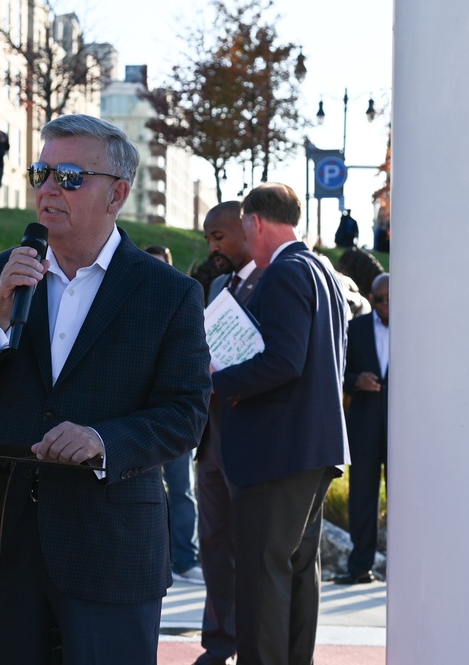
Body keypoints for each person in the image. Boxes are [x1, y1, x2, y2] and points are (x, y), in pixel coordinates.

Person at [0, 114, 212, 665]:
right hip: (10, 547)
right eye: (41, 172)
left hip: (110, 548)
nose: (49, 188)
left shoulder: (169, 294)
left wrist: (103, 440)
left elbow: (187, 413)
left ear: (118, 194)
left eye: (70, 175)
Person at [211, 183, 350, 665]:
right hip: (312, 448)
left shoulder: (284, 272)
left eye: (244, 230)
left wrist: (219, 378)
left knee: (262, 578)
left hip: (276, 451)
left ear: (254, 222)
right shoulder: (322, 271)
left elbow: (283, 361)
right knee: (295, 572)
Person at [194, 201, 264, 665]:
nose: (213, 247)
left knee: (254, 549)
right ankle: (219, 644)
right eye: (208, 240)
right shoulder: (217, 284)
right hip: (211, 437)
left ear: (245, 228)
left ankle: (256, 647)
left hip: (256, 437)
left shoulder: (278, 278)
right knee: (214, 544)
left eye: (219, 236)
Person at [144, 244, 204, 586]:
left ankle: (185, 559)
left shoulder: (181, 302)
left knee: (183, 489)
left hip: (174, 416)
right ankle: (162, 559)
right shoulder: (127, 304)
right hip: (138, 418)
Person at [334, 273, 390, 585]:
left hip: (402, 432)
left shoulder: (414, 329)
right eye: (378, 298)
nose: (383, 305)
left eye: (389, 299)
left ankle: (403, 569)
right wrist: (357, 381)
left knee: (404, 501)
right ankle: (359, 568)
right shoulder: (355, 329)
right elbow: (337, 371)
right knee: (362, 499)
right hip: (364, 426)